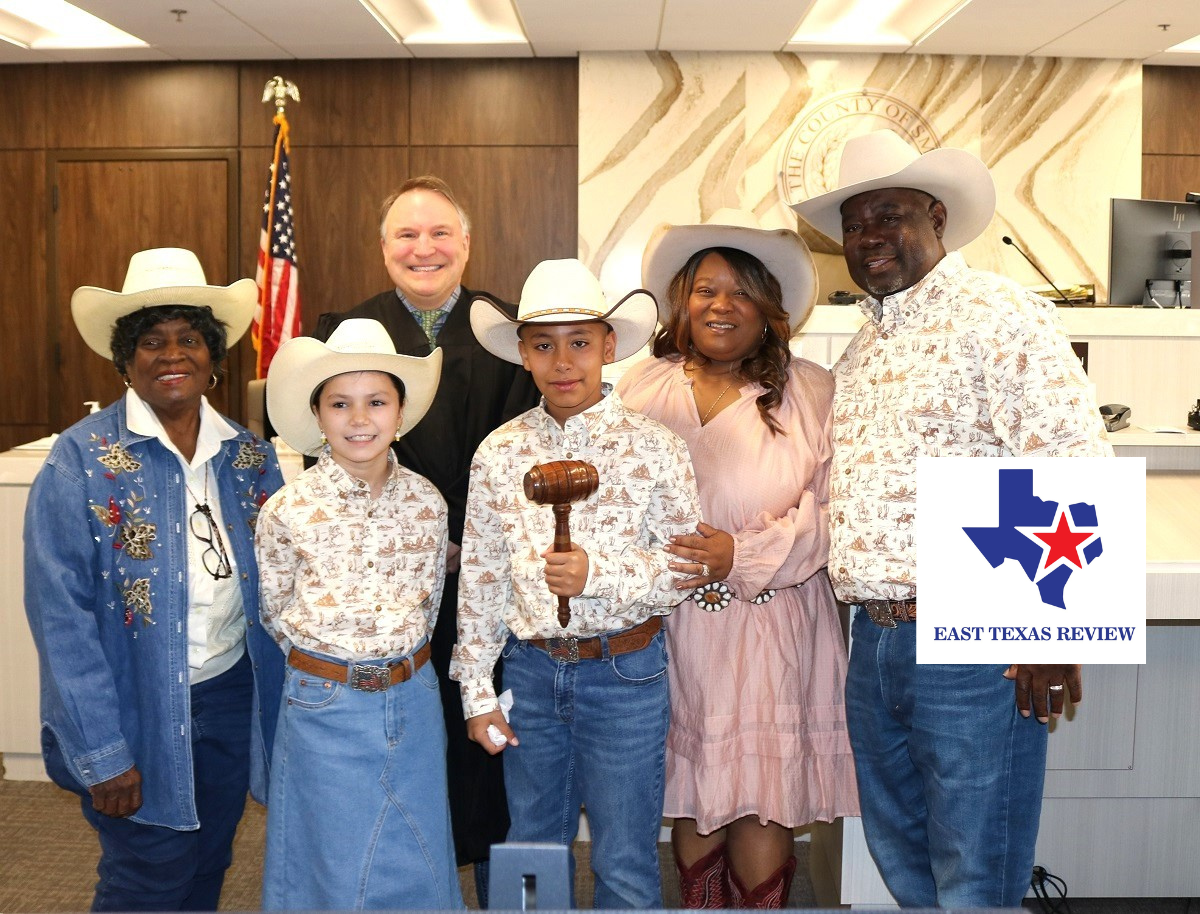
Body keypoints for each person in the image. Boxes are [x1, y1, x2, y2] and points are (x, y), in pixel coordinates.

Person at [791, 129, 1112, 908]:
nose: (869, 236)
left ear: (935, 217)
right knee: (904, 857)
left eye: (888, 215)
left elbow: (1071, 457)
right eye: (854, 224)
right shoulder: (862, 349)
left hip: (974, 637)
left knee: (977, 868)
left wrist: (1052, 631)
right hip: (874, 639)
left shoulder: (999, 314)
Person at [23, 248, 285, 911]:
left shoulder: (250, 458)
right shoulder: (80, 459)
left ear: (213, 354)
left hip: (231, 696)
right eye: (151, 341)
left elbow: (283, 590)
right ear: (126, 359)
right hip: (134, 705)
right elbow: (61, 617)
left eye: (189, 338)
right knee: (148, 876)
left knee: (209, 863)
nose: (172, 354)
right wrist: (102, 750)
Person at [619, 209, 859, 909]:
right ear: (682, 303)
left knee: (761, 792)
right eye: (705, 290)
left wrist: (741, 553)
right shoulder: (642, 387)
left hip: (772, 623)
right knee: (695, 787)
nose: (720, 305)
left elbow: (836, 512)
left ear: (769, 309)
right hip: (673, 625)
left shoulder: (813, 391)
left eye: (741, 292)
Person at [450, 259, 703, 909]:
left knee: (624, 856)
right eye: (543, 345)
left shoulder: (656, 448)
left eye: (580, 342)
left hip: (625, 674)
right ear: (523, 355)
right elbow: (481, 577)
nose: (563, 362)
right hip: (530, 673)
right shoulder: (499, 452)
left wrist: (600, 575)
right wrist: (477, 690)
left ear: (609, 346)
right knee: (533, 846)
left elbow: (683, 569)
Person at [313, 175, 538, 901]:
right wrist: (414, 538)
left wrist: (469, 540)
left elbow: (531, 448)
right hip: (388, 589)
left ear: (466, 243)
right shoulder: (349, 333)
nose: (424, 248)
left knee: (491, 743)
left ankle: (500, 891)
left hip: (493, 582)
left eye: (440, 232)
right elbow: (323, 458)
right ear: (383, 247)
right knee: (406, 749)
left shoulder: (509, 332)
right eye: (406, 234)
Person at [255, 318, 461, 910]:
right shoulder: (288, 509)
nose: (359, 418)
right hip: (326, 701)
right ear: (318, 417)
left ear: (400, 413)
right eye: (340, 404)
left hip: (413, 695)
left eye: (377, 401)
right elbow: (276, 610)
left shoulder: (427, 502)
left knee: (419, 850)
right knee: (332, 859)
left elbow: (428, 602)